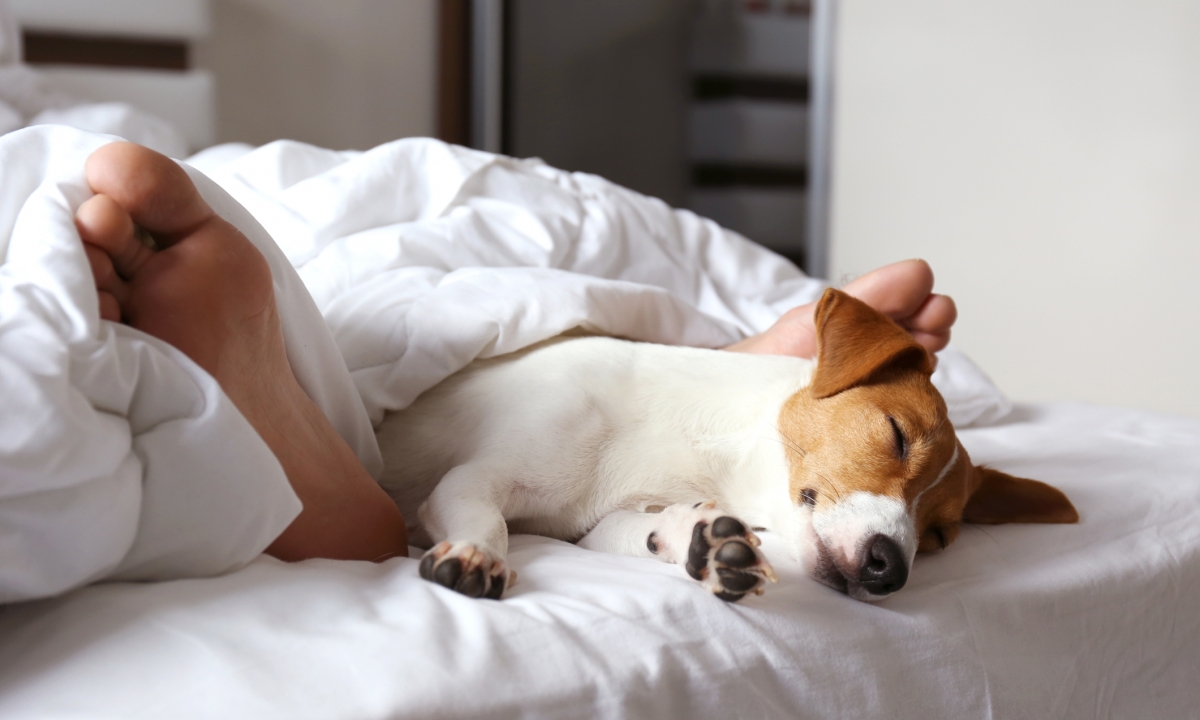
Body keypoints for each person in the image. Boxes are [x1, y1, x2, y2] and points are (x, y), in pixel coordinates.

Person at [75, 142, 957, 565]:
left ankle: (324, 446)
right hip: (565, 391)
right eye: (895, 443)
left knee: (601, 457)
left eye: (935, 530)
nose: (900, 548)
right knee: (463, 280)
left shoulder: (893, 508)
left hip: (593, 449)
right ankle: (717, 352)